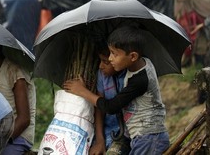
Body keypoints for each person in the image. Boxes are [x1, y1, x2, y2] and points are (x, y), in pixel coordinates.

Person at [64, 24, 169, 155]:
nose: (110, 58)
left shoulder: (140, 80)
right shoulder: (138, 64)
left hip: (150, 137)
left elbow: (111, 106)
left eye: (114, 54)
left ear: (132, 57)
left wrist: (83, 91)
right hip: (140, 136)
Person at [90, 44, 129, 155]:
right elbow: (99, 109)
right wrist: (100, 141)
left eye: (106, 62)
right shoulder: (102, 75)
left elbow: (110, 106)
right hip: (106, 131)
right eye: (100, 60)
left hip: (126, 134)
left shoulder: (129, 76)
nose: (101, 66)